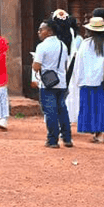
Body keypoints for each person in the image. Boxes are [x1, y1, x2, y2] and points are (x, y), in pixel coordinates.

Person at [68, 15, 104, 143]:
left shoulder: (85, 44)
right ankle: (101, 133)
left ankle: (96, 132)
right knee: (103, 106)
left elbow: (79, 64)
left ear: (90, 31)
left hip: (87, 82)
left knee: (90, 107)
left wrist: (78, 80)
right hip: (103, 82)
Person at [32, 19, 72, 148]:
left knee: (50, 112)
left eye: (41, 29)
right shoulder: (62, 45)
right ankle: (67, 138)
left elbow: (36, 65)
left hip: (48, 84)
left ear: (49, 31)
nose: (39, 32)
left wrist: (35, 67)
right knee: (62, 110)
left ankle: (52, 140)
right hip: (61, 82)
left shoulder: (42, 46)